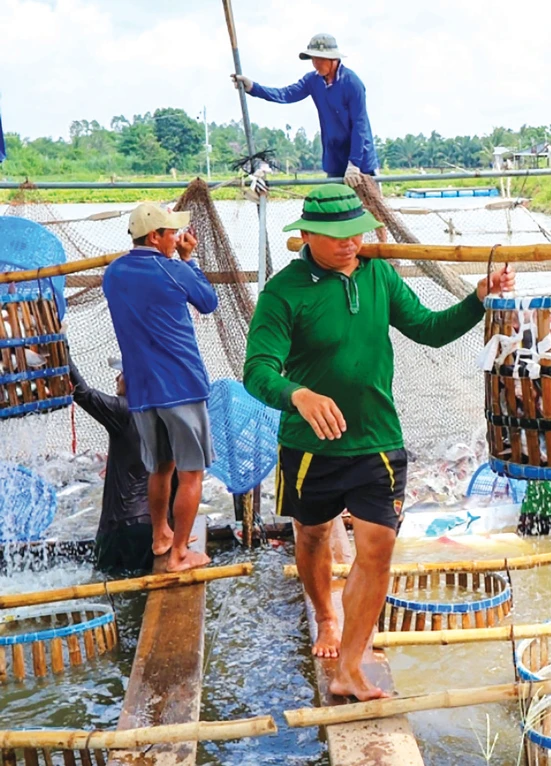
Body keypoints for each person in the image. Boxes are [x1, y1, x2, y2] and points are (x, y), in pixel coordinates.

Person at [244, 183, 515, 700]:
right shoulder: (284, 292)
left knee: (379, 546)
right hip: (310, 447)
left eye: (357, 233)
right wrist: (298, 394)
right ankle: (325, 613)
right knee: (313, 536)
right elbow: (257, 370)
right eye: (337, 235)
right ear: (305, 236)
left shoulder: (380, 274)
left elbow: (431, 329)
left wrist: (478, 298)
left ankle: (349, 666)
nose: (351, 243)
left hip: (377, 439)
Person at [102, 203, 219, 573]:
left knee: (160, 468)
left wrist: (178, 258)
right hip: (182, 385)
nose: (177, 239)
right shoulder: (171, 269)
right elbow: (208, 301)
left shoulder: (114, 272)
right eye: (172, 234)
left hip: (142, 390)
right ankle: (181, 554)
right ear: (155, 236)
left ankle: (161, 536)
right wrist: (189, 260)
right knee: (192, 472)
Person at [232, 33, 378, 189]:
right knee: (337, 208)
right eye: (313, 59)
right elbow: (286, 94)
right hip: (335, 158)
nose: (315, 64)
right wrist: (253, 87)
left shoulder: (352, 83)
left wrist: (354, 163)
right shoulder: (313, 81)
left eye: (319, 59)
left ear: (332, 59)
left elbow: (359, 125)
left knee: (369, 209)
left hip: (359, 160)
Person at [68, 357, 155, 574]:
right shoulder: (157, 412)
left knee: (107, 586)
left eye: (122, 373)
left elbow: (83, 394)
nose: (117, 377)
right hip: (149, 524)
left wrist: (64, 351)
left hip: (120, 526)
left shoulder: (124, 411)